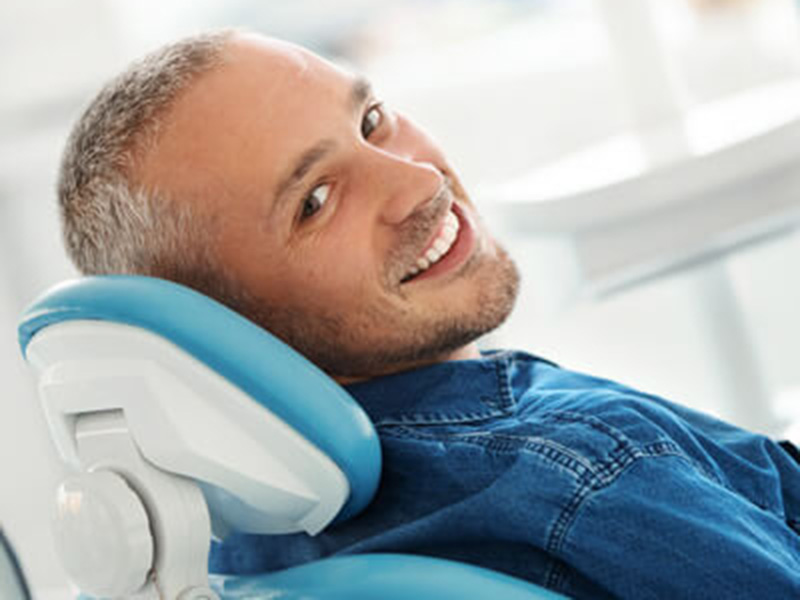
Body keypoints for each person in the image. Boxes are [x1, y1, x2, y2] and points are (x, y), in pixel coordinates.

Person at [57, 30, 800, 599]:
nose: (418, 180)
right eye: (315, 201)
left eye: (372, 120)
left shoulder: (245, 554)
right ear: (226, 329)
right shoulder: (582, 471)